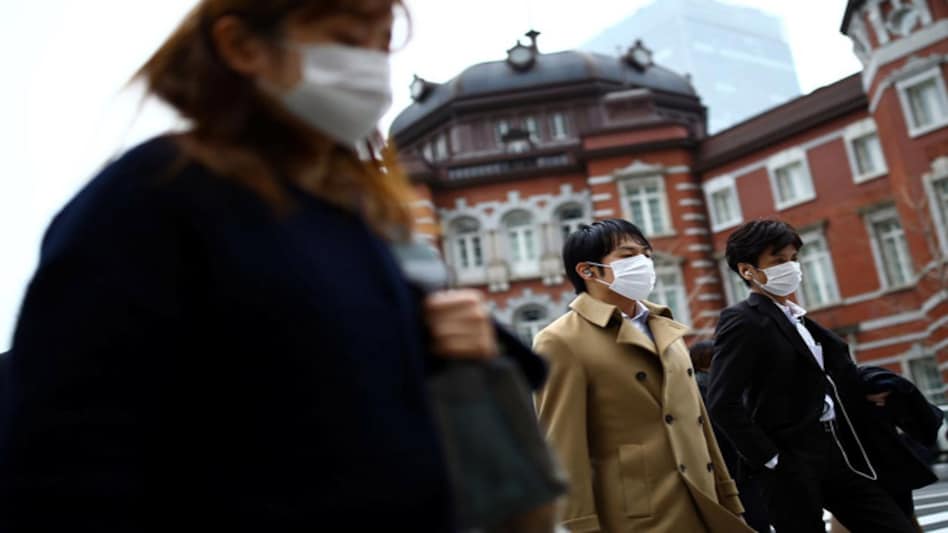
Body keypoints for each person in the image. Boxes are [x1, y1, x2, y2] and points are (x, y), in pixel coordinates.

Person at [0, 1, 547, 531]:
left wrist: (464, 352)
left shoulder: (355, 219)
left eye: (382, 45)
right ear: (241, 45)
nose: (371, 68)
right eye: (345, 40)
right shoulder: (150, 198)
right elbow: (63, 466)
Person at [533, 219, 750, 533]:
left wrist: (729, 499)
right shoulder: (560, 340)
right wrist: (577, 525)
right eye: (628, 255)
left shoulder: (666, 328)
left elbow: (699, 424)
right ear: (588, 271)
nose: (644, 263)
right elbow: (563, 447)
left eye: (646, 254)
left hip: (706, 502)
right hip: (638, 515)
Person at [708, 219, 915, 533]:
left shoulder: (798, 319)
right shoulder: (742, 320)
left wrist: (864, 392)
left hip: (834, 450)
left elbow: (825, 375)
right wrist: (771, 459)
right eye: (778, 261)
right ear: (747, 270)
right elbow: (723, 401)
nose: (790, 268)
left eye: (793, 259)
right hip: (789, 461)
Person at [690, 340, 770, 533]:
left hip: (731, 468)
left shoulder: (703, 388)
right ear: (708, 361)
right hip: (736, 468)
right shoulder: (715, 389)